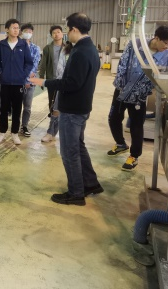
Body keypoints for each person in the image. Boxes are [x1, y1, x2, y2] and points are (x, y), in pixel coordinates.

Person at [31, 12, 102, 206]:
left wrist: (44, 81)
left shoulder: (80, 52)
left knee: (70, 152)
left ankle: (76, 193)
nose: (65, 34)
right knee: (78, 146)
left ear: (75, 30)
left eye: (67, 30)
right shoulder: (90, 49)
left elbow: (71, 83)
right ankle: (90, 183)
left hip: (72, 109)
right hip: (82, 106)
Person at [107, 25, 168, 171]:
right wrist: (121, 85)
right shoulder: (136, 44)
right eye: (165, 43)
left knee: (136, 125)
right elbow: (123, 64)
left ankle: (134, 156)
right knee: (113, 118)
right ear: (156, 38)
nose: (167, 47)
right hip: (122, 89)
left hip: (139, 94)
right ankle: (121, 144)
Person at [0, 19, 34, 145]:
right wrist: (0, 73)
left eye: (17, 28)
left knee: (17, 109)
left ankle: (15, 133)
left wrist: (23, 74)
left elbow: (29, 62)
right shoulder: (2, 44)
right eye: (13, 28)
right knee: (3, 109)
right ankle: (2, 132)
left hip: (18, 83)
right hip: (4, 83)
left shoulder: (23, 44)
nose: (16, 30)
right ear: (7, 29)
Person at [38, 25, 65, 143]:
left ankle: (57, 130)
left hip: (65, 81)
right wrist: (41, 76)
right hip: (52, 81)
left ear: (62, 34)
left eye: (58, 32)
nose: (56, 34)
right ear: (51, 35)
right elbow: (43, 63)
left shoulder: (68, 48)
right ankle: (52, 131)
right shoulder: (47, 48)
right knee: (52, 104)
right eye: (54, 33)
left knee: (64, 106)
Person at [19, 23, 41, 137]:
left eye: (30, 31)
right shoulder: (17, 46)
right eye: (26, 31)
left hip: (31, 81)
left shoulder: (36, 48)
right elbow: (17, 65)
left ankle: (24, 126)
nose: (28, 33)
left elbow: (35, 64)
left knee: (27, 107)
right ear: (21, 32)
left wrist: (27, 81)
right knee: (16, 106)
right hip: (17, 81)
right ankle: (15, 126)